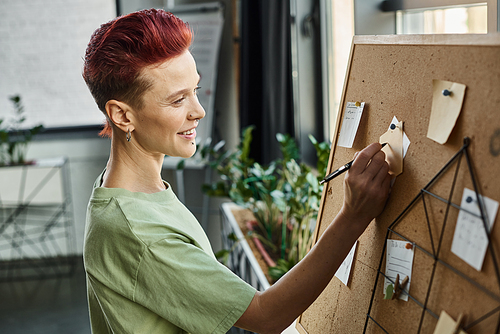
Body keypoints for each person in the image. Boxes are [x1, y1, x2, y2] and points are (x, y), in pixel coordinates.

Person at [82, 8, 391, 334]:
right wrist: (354, 216)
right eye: (177, 101)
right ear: (123, 116)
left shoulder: (131, 191)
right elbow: (265, 316)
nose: (198, 111)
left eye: (195, 91)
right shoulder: (134, 230)